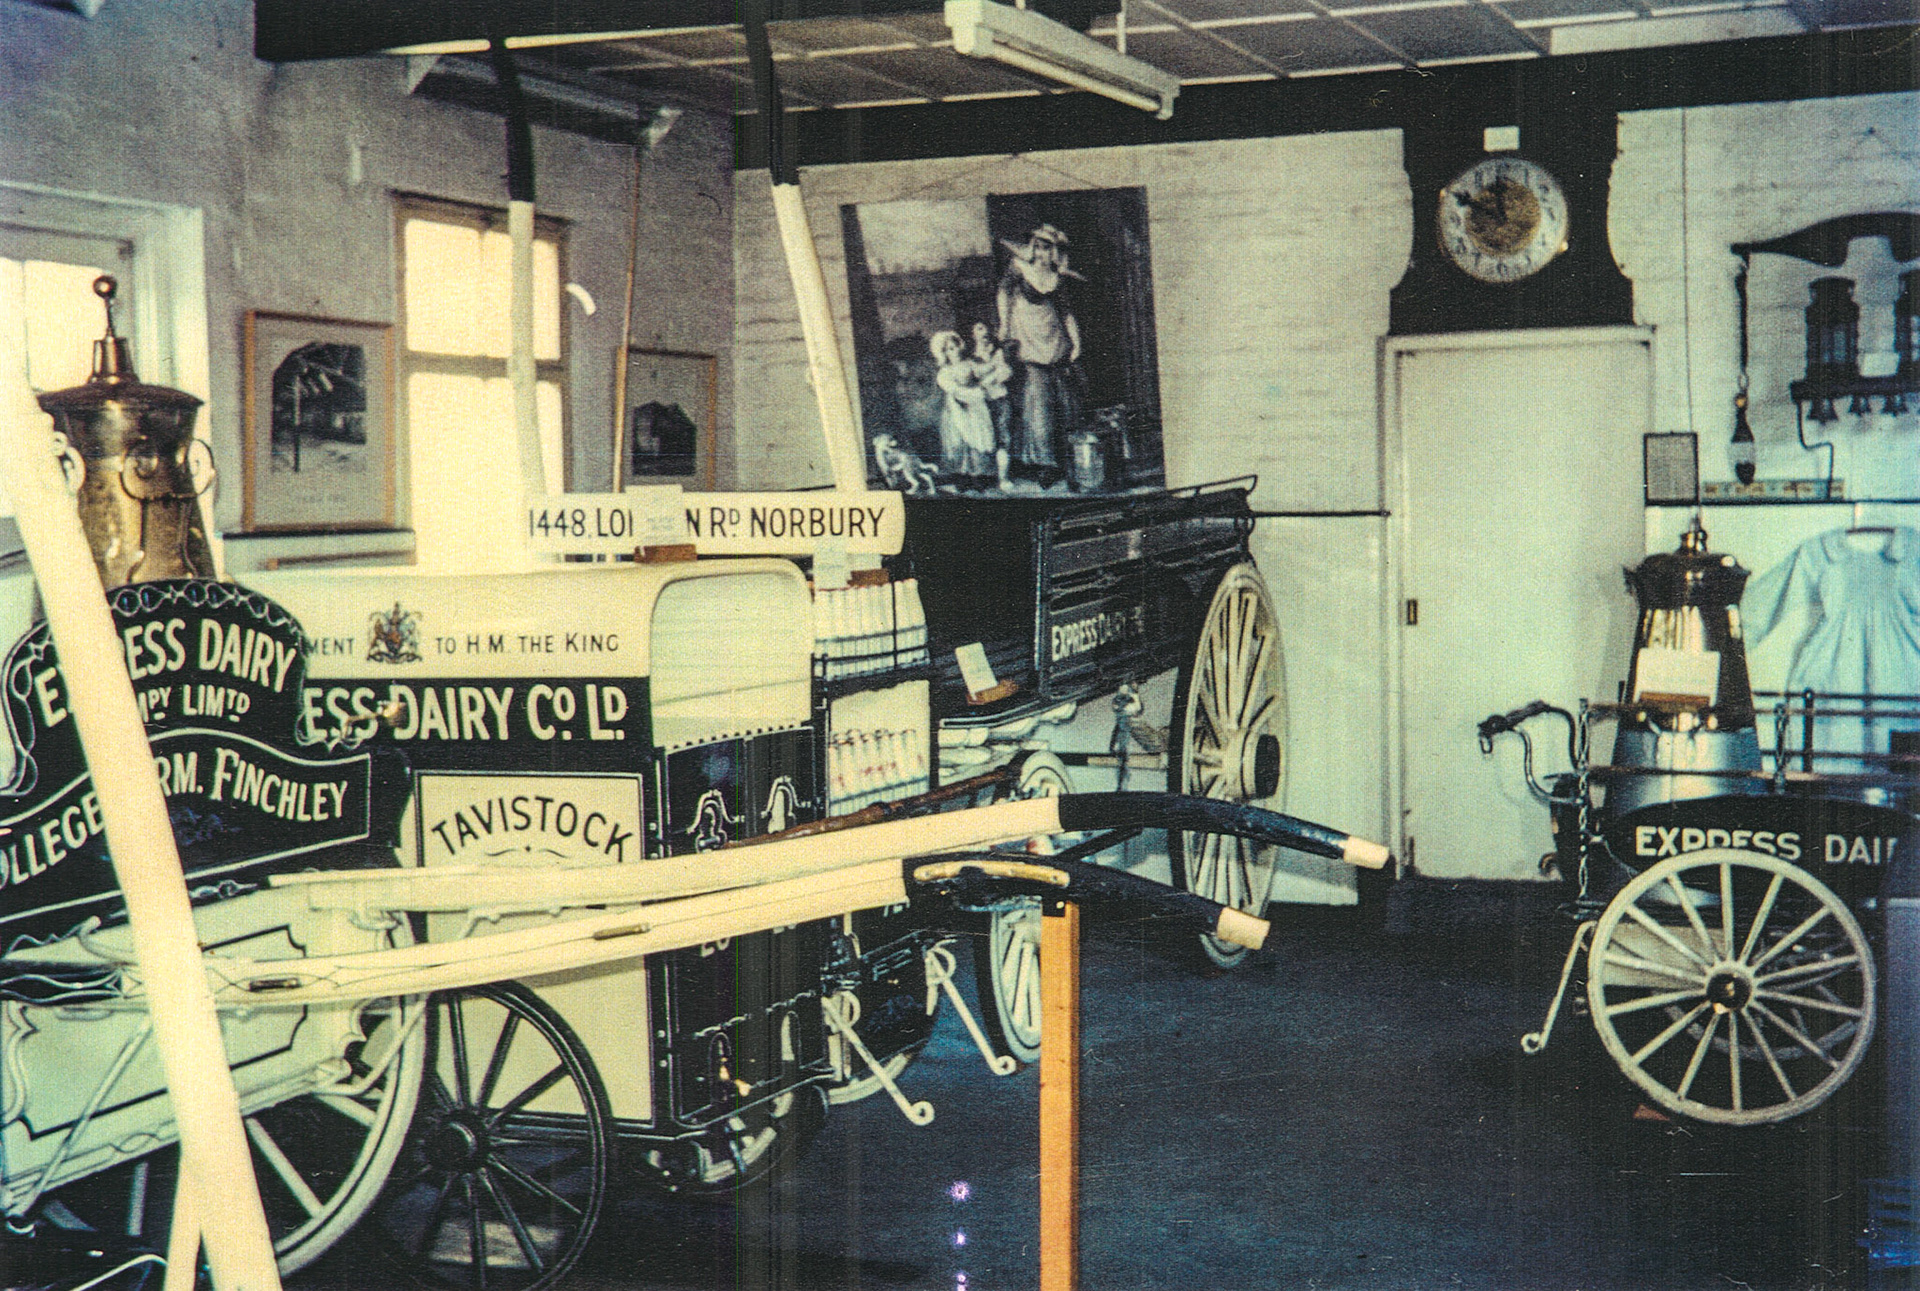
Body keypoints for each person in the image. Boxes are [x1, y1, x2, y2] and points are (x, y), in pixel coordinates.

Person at [997, 224, 1083, 482]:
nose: (1039, 253)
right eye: (1036, 247)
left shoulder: (1057, 277)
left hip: (1053, 336)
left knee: (1062, 402)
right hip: (1027, 338)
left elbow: (1066, 313)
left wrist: (1077, 343)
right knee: (1037, 405)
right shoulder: (1019, 267)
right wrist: (1004, 324)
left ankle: (1065, 459)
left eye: (1046, 249)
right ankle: (1044, 462)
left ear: (1054, 252)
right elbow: (1003, 293)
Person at [929, 330, 995, 483]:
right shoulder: (945, 371)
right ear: (944, 353)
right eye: (949, 349)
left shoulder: (969, 364)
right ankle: (962, 475)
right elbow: (953, 389)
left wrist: (994, 363)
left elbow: (983, 371)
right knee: (959, 440)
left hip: (976, 407)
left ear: (960, 346)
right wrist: (974, 393)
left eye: (955, 346)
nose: (954, 351)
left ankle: (980, 475)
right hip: (956, 408)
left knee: (979, 437)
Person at [970, 321, 1014, 490]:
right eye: (979, 329)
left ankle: (1003, 478)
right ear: (973, 334)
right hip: (980, 404)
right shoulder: (970, 357)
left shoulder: (998, 352)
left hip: (999, 399)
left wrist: (992, 378)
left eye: (986, 329)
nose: (985, 332)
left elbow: (1005, 372)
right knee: (983, 439)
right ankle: (984, 477)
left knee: (1003, 438)